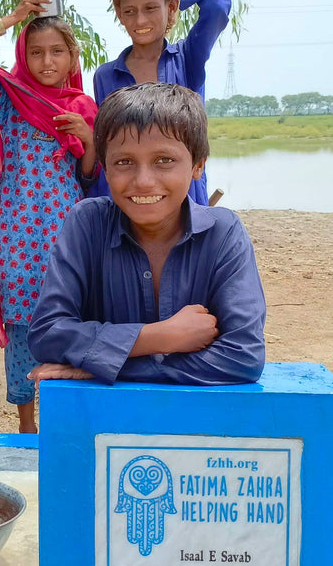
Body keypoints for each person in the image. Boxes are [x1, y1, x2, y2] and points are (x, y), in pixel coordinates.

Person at [27, 83, 266, 386]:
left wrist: (105, 363)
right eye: (124, 162)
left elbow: (243, 357)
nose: (143, 181)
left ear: (197, 165)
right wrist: (159, 337)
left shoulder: (223, 234)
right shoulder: (87, 223)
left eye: (164, 160)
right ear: (104, 167)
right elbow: (47, 334)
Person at [0, 0, 97, 432]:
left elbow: (90, 176)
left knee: (68, 320)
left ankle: (61, 415)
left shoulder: (83, 106)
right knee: (22, 327)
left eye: (57, 52)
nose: (47, 62)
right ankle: (25, 421)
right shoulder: (11, 99)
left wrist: (88, 136)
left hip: (66, 234)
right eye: (36, 52)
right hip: (18, 233)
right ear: (23, 54)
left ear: (73, 58)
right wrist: (15, 16)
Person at [91, 0, 231, 205]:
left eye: (150, 8)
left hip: (181, 194)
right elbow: (107, 150)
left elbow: (218, 7)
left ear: (170, 9)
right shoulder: (106, 75)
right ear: (120, 14)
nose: (140, 20)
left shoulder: (187, 59)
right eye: (130, 11)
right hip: (128, 198)